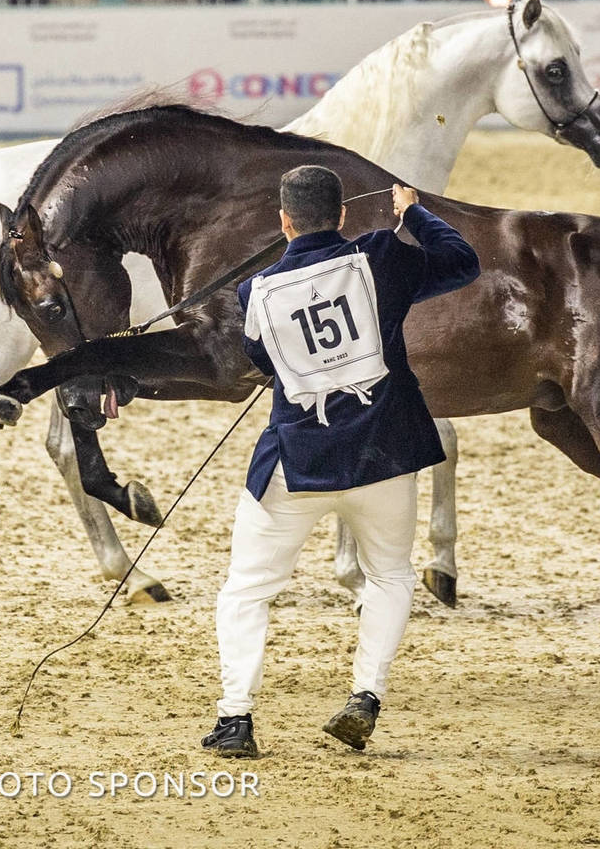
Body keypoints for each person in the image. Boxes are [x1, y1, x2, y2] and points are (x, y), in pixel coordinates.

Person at [205, 167, 480, 759]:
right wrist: (413, 214)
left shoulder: (255, 292)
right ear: (344, 216)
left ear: (284, 221)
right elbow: (461, 260)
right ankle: (365, 696)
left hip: (297, 463)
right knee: (390, 575)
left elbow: (260, 359)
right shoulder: (382, 256)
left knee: (247, 591)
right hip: (382, 456)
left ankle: (235, 721)